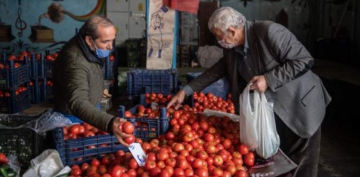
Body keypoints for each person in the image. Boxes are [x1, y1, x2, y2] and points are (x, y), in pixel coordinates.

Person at [167, 7, 331, 177]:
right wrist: (186, 91)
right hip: (274, 112)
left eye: (218, 35)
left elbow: (303, 60)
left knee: (302, 163)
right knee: (282, 162)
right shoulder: (232, 48)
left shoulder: (268, 31)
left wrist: (268, 79)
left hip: (299, 105)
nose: (217, 41)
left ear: (231, 30)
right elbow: (218, 69)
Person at [53, 15, 131, 146]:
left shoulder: (88, 46)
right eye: (105, 42)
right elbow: (78, 103)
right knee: (78, 151)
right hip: (74, 117)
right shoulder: (76, 62)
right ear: (89, 40)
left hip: (92, 107)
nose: (110, 47)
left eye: (112, 40)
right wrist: (109, 122)